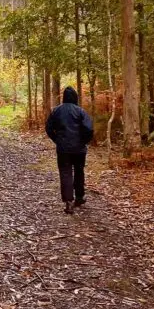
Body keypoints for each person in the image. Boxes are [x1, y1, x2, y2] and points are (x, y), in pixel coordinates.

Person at [45, 86, 94, 214]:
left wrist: (57, 140)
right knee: (79, 171)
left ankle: (68, 202)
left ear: (64, 97)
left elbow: (49, 128)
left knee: (65, 173)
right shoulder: (80, 111)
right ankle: (79, 197)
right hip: (79, 149)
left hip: (63, 149)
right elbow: (89, 129)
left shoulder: (56, 111)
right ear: (75, 97)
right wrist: (84, 141)